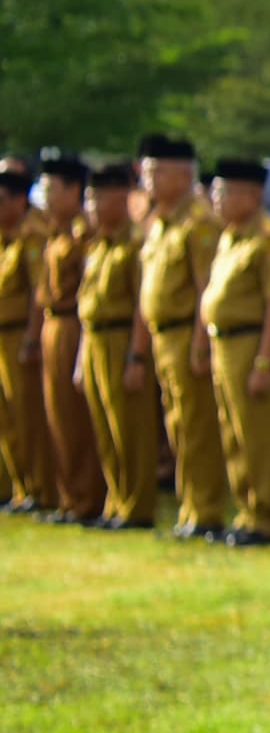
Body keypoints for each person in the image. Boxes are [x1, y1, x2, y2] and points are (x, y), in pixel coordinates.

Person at [197, 157, 270, 547]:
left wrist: (265, 362)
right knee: (234, 435)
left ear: (251, 195)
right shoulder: (229, 237)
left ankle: (267, 518)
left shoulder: (268, 241)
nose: (215, 200)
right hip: (224, 344)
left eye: (222, 193)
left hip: (251, 343)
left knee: (260, 436)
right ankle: (246, 511)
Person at [131, 135, 228, 540]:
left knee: (196, 426)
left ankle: (205, 510)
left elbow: (205, 287)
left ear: (183, 175)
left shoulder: (199, 224)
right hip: (161, 337)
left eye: (157, 171)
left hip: (186, 336)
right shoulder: (159, 224)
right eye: (146, 170)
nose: (148, 178)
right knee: (177, 427)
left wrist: (199, 343)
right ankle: (189, 507)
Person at [73, 167, 148, 530]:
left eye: (99, 198)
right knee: (103, 426)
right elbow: (87, 302)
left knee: (128, 427)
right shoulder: (97, 243)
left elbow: (141, 305)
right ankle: (116, 502)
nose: (92, 206)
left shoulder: (134, 243)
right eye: (90, 199)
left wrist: (136, 354)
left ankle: (136, 506)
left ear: (122, 199)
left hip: (121, 338)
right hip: (94, 339)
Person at [34, 157, 103, 524]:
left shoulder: (84, 233)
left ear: (74, 190)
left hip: (73, 325)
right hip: (51, 324)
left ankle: (86, 498)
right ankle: (68, 497)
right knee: (57, 417)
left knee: (77, 418)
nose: (45, 198)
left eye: (51, 190)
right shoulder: (55, 231)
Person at [0, 164, 45, 516]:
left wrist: (31, 338)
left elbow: (37, 293)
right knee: (5, 417)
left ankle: (37, 487)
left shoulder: (31, 236)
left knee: (25, 414)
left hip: (18, 336)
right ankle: (16, 486)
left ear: (19, 201)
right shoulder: (6, 237)